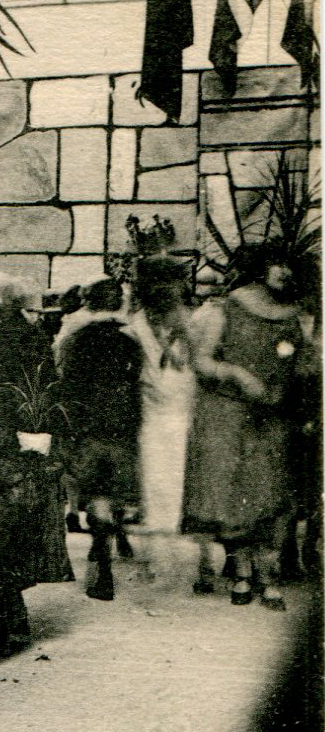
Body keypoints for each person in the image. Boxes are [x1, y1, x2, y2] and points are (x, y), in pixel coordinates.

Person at [182, 244, 313, 610]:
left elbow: (303, 364)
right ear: (260, 268)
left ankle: (268, 577)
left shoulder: (295, 315)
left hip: (274, 415)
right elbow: (202, 362)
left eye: (290, 266)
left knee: (271, 496)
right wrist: (237, 373)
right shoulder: (223, 309)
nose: (284, 272)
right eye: (277, 264)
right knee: (233, 497)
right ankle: (242, 574)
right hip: (226, 413)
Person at [58, 278, 143, 601]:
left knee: (95, 490)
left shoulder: (76, 339)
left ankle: (101, 553)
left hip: (87, 427)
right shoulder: (129, 340)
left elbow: (65, 383)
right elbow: (140, 384)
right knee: (113, 488)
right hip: (122, 427)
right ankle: (110, 539)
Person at [126, 257, 198, 585]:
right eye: (160, 283)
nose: (167, 290)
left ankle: (195, 559)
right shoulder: (135, 324)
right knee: (154, 482)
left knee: (184, 479)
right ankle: (153, 559)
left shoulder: (192, 320)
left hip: (187, 408)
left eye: (173, 283)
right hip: (150, 411)